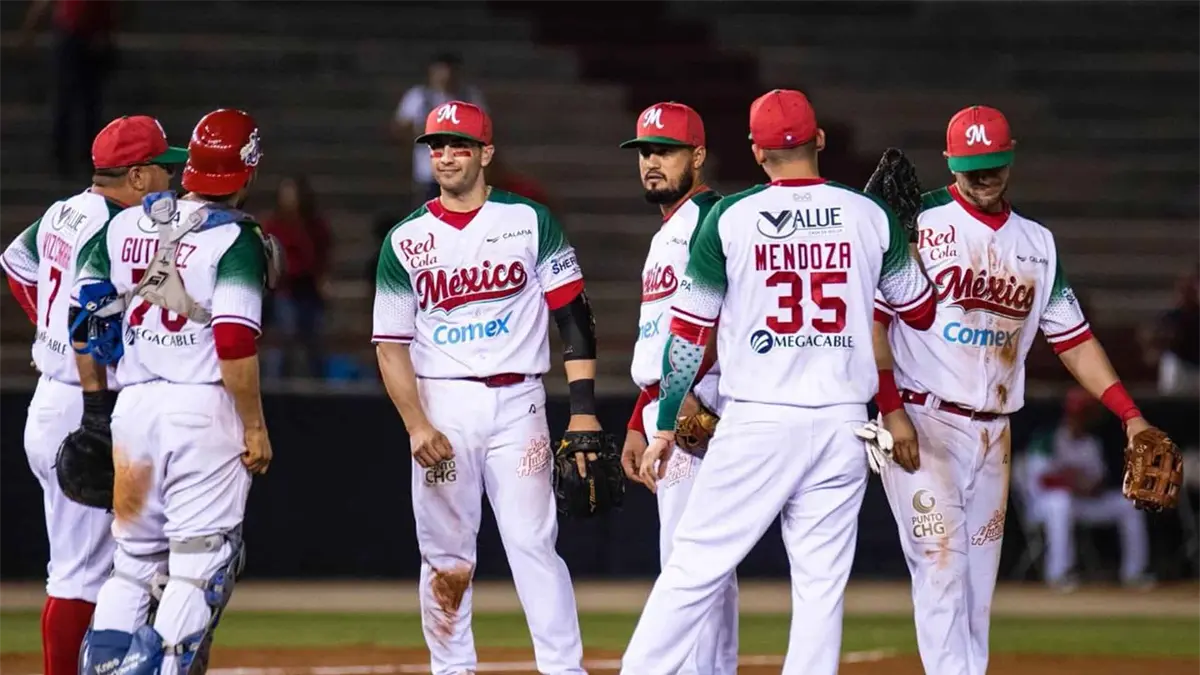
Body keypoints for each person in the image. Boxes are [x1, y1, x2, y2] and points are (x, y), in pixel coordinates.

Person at [623, 89, 936, 675]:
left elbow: (688, 333)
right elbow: (919, 312)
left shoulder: (730, 217)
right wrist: (900, 240)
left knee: (692, 568)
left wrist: (662, 424)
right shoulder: (869, 216)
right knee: (820, 589)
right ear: (820, 140)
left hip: (758, 418)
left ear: (755, 151)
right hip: (843, 423)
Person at [872, 105, 1171, 675]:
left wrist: (1131, 415)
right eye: (972, 166)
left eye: (993, 163)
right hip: (923, 421)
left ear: (1011, 158)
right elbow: (873, 323)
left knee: (977, 589)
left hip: (995, 433)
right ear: (950, 162)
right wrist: (890, 410)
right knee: (940, 567)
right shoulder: (918, 222)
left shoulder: (1036, 243)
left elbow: (1074, 340)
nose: (984, 176)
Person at [372, 100, 598, 675]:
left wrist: (582, 409)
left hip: (520, 402)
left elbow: (573, 315)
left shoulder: (529, 220)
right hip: (442, 403)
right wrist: (416, 424)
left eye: (459, 145)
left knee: (533, 544)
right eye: (436, 146)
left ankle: (563, 669)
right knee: (445, 554)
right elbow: (390, 345)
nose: (446, 156)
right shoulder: (406, 238)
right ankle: (452, 669)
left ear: (486, 153)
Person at [73, 109, 274, 674]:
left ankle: (102, 667)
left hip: (134, 407)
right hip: (201, 407)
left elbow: (86, 315)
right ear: (247, 169)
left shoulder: (123, 225)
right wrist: (254, 426)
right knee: (199, 564)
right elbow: (233, 340)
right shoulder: (236, 239)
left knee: (132, 563)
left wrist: (99, 398)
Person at [0, 115, 183, 675]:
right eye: (162, 168)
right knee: (82, 576)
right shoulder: (119, 225)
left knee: (94, 570)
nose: (171, 178)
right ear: (137, 175)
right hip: (87, 403)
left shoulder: (65, 210)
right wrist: (74, 348)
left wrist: (50, 329)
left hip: (55, 395)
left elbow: (17, 263)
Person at [616, 101, 738, 675]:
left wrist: (676, 400)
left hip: (698, 401)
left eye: (665, 151)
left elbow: (719, 315)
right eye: (644, 152)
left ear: (698, 155)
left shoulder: (713, 218)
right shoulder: (668, 230)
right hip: (669, 402)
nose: (651, 162)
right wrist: (640, 417)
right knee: (698, 559)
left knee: (691, 562)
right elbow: (659, 337)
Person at [1020, 387, 1152, 591]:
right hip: (1043, 504)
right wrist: (1073, 482)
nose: (1082, 420)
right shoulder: (1047, 439)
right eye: (1080, 414)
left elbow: (1100, 481)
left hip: (1081, 502)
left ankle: (1134, 573)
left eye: (1086, 415)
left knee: (1128, 504)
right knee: (1060, 502)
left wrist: (1089, 486)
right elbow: (1043, 481)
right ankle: (1059, 574)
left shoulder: (1091, 443)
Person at [20, 0, 120, 178]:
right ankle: (62, 155)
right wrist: (31, 26)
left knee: (90, 103)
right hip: (71, 37)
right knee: (67, 101)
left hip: (93, 36)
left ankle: (86, 155)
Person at [392, 53, 487, 207]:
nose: (446, 77)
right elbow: (400, 128)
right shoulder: (419, 97)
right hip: (428, 170)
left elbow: (485, 127)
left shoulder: (469, 96)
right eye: (441, 72)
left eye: (450, 72)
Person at [261, 175, 331, 379]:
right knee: (284, 337)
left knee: (314, 341)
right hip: (284, 289)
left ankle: (319, 384)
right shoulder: (273, 224)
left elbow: (323, 253)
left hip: (310, 288)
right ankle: (276, 385)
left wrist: (323, 278)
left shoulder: (314, 225)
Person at [1139, 267, 1200, 395]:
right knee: (1170, 361)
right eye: (1184, 290)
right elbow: (1150, 334)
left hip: (1196, 366)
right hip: (1180, 365)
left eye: (1190, 290)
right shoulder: (1171, 317)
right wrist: (1154, 348)